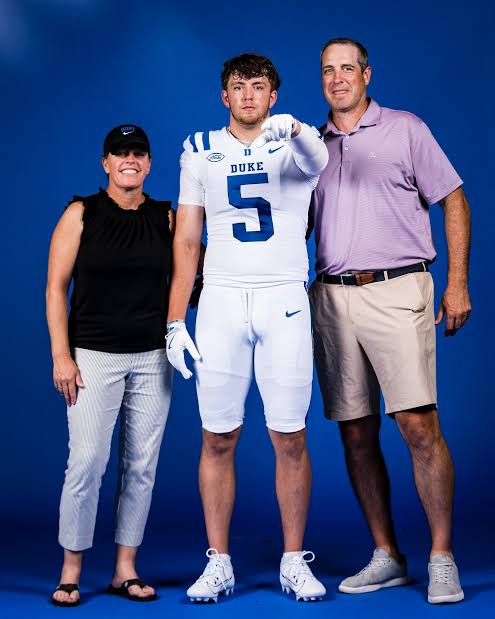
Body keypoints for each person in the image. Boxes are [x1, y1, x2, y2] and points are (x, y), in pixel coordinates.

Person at [309, 38, 471, 604]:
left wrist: (456, 283)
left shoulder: (405, 129)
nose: (337, 78)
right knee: (355, 431)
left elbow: (454, 198)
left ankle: (442, 557)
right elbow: (290, 225)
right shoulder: (311, 147)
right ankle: (387, 555)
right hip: (332, 298)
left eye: (347, 69)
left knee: (418, 425)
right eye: (327, 71)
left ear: (366, 75)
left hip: (398, 288)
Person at [165, 53, 329, 603]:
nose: (250, 96)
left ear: (273, 96)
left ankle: (293, 560)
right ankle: (219, 562)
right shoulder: (199, 149)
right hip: (221, 300)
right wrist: (174, 319)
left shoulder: (294, 142)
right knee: (217, 436)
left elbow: (320, 159)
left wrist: (297, 129)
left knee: (290, 435)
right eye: (239, 87)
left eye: (259, 87)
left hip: (283, 298)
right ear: (225, 96)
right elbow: (187, 239)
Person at [46, 125, 174, 606]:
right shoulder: (81, 213)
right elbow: (55, 288)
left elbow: (190, 275)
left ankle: (125, 569)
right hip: (93, 356)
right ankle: (71, 570)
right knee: (86, 461)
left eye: (138, 153)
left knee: (140, 466)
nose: (130, 160)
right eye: (120, 153)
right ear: (105, 162)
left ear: (149, 163)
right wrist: (62, 355)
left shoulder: (165, 217)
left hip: (152, 358)